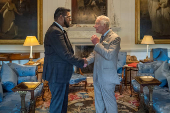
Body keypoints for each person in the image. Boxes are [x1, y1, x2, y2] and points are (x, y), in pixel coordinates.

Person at [42, 7, 87, 113]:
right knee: (57, 104)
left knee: (62, 103)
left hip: (60, 74)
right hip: (57, 74)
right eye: (69, 17)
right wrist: (81, 62)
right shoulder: (55, 32)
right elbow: (65, 54)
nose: (70, 19)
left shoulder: (58, 30)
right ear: (61, 17)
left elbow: (66, 53)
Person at [84, 15, 121, 113]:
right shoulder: (101, 37)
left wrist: (97, 44)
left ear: (104, 25)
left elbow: (109, 55)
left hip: (107, 77)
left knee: (109, 102)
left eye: (96, 23)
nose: (94, 26)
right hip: (97, 75)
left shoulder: (115, 38)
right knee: (98, 101)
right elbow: (95, 53)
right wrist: (86, 61)